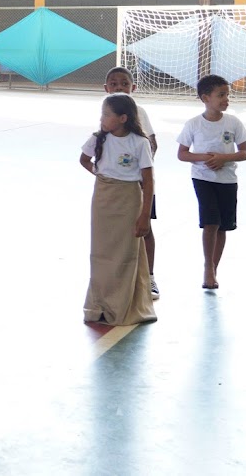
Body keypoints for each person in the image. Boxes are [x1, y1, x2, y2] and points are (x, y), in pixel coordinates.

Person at [79, 93, 157, 326]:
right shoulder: (98, 139)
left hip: (129, 198)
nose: (102, 119)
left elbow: (148, 180)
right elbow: (84, 160)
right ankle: (100, 304)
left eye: (106, 115)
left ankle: (122, 305)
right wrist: (102, 175)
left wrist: (145, 215)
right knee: (101, 251)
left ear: (123, 118)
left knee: (125, 252)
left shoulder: (139, 142)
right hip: (103, 198)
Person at [176, 74, 246, 290]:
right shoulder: (194, 124)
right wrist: (206, 158)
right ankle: (207, 267)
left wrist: (223, 158)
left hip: (227, 181)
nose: (226, 99)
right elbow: (182, 154)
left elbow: (244, 152)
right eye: (221, 95)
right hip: (203, 179)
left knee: (222, 226)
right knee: (210, 223)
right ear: (205, 98)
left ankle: (214, 267)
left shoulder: (233, 123)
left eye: (227, 95)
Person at [105, 66, 160, 299]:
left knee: (144, 228)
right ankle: (117, 277)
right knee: (115, 232)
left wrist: (140, 170)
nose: (119, 87)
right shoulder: (106, 112)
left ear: (133, 87)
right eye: (114, 83)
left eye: (124, 83)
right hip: (115, 187)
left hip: (138, 183)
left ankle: (149, 277)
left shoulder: (140, 112)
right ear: (106, 88)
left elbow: (152, 143)